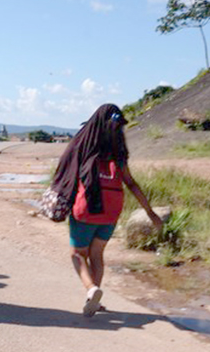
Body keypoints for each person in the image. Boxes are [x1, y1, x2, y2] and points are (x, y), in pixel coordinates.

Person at [50, 104, 163, 317]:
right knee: (97, 254)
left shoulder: (84, 147)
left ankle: (91, 289)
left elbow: (66, 172)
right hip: (111, 213)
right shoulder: (118, 156)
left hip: (86, 210)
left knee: (77, 254)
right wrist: (150, 212)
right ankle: (95, 299)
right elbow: (131, 183)